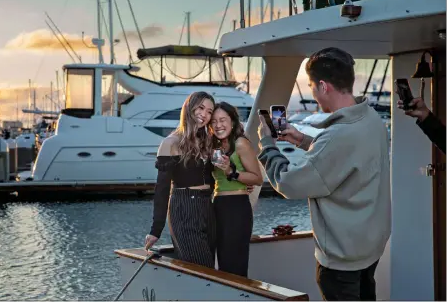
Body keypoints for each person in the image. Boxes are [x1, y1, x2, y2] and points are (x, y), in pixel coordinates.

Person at [256, 47, 391, 301]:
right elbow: (345, 159)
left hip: (341, 261)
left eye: (311, 86)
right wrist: (304, 140)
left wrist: (267, 145)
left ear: (323, 86)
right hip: (369, 249)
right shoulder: (371, 119)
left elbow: (289, 183)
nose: (313, 94)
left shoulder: (337, 136)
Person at [144, 91, 217, 268]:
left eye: (209, 111)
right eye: (201, 108)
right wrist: (156, 230)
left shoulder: (209, 142)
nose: (204, 115)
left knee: (210, 266)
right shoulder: (170, 142)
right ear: (189, 108)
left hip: (209, 208)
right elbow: (162, 190)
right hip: (184, 207)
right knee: (202, 267)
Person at [209, 102, 263, 277]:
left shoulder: (240, 143)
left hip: (236, 208)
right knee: (223, 264)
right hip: (218, 206)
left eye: (223, 120)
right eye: (214, 121)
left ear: (232, 121)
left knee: (235, 265)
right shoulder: (214, 146)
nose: (218, 125)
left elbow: (257, 178)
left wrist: (232, 172)